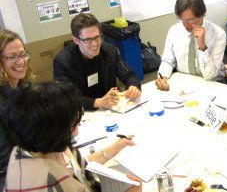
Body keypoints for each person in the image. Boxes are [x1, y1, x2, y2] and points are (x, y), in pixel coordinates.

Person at [4, 82, 142, 191]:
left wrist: (117, 146)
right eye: (74, 124)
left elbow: (77, 167)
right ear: (57, 129)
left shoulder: (34, 146)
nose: (76, 131)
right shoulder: (51, 182)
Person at [53, 13, 141, 111]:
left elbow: (129, 75)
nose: (95, 43)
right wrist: (98, 102)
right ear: (76, 40)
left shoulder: (110, 51)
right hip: (82, 113)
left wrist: (133, 86)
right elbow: (66, 99)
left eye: (97, 37)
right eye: (88, 40)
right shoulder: (63, 61)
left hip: (111, 108)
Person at [155, 0, 226, 91]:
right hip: (184, 83)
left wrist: (202, 46)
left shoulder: (218, 34)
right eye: (182, 19)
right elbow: (168, 60)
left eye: (190, 20)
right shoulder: (174, 31)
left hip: (212, 85)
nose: (185, 25)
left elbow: (210, 76)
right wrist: (163, 77)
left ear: (202, 15)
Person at [0, 29, 34, 191]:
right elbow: (5, 159)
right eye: (12, 57)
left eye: (22, 54)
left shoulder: (25, 86)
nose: (20, 61)